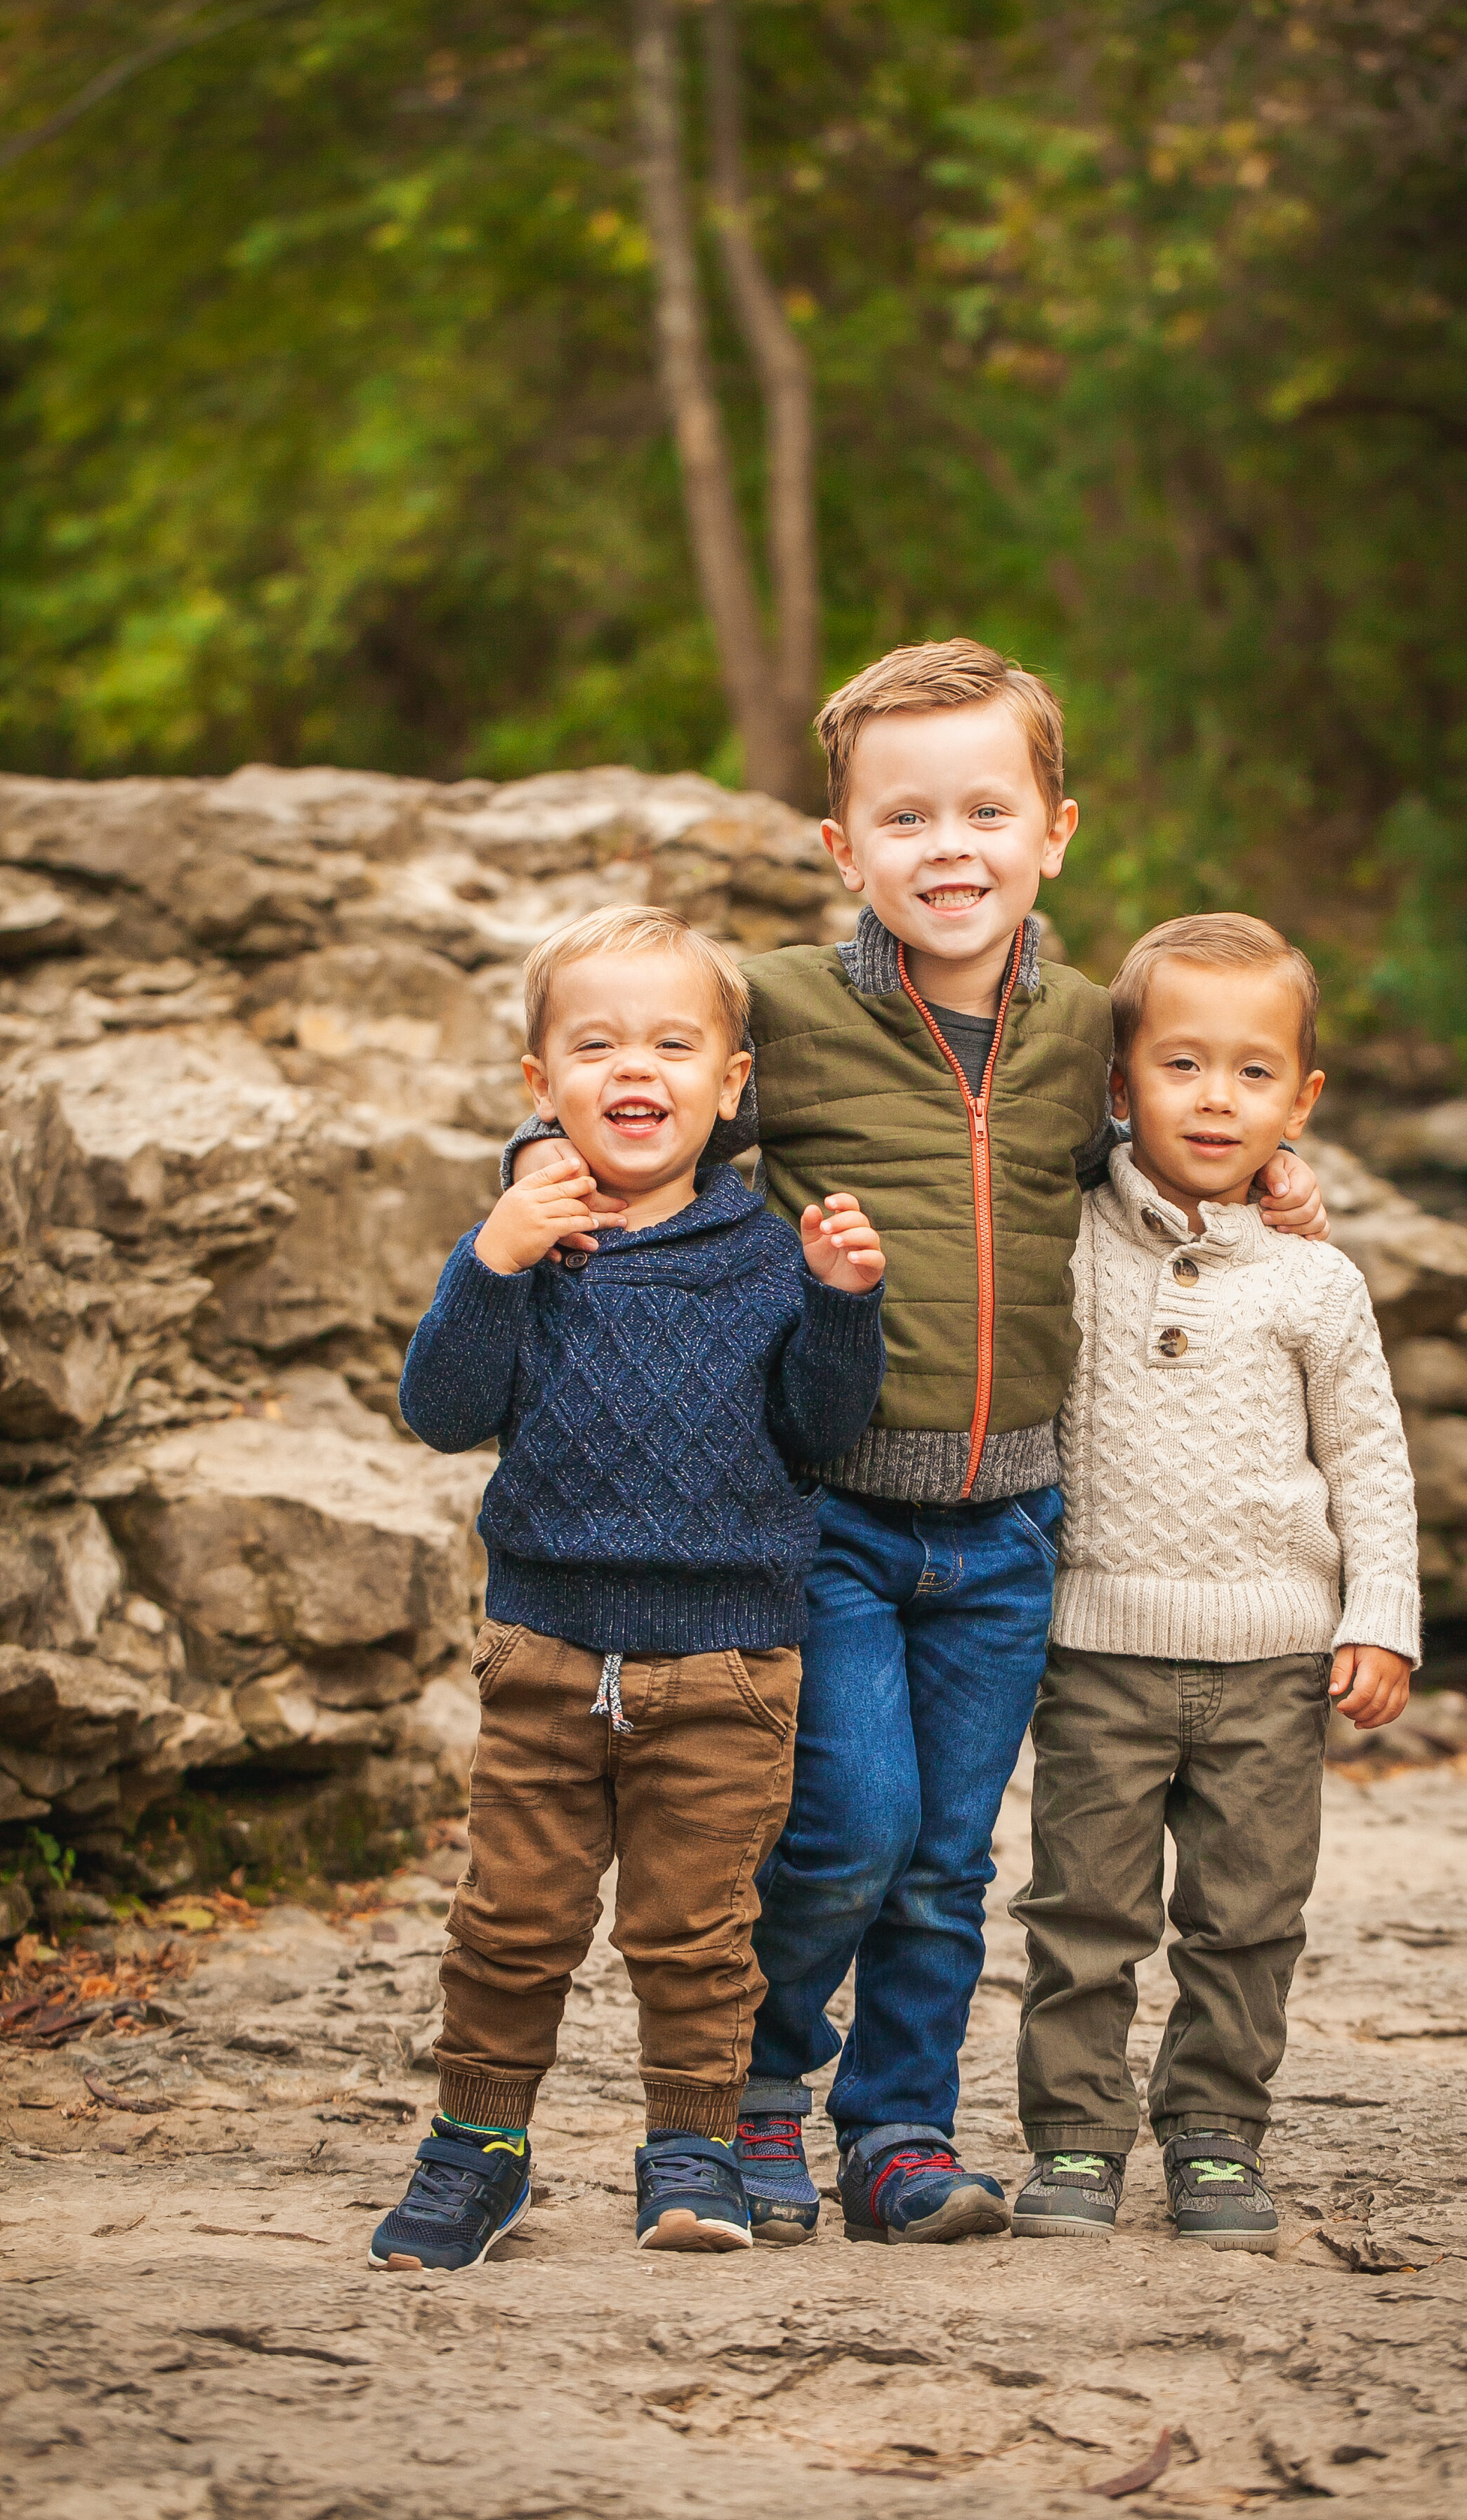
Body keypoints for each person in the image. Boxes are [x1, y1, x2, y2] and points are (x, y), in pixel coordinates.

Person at [506, 641, 1332, 2248]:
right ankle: (754, 2096)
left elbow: (1172, 1137)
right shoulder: (791, 1015)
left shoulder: (1093, 1026)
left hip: (1013, 1527)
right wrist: (546, 1153)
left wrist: (1267, 1192)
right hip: (829, 1520)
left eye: (982, 810)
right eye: (903, 817)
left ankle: (896, 2133)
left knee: (949, 1859)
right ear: (842, 849)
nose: (945, 847)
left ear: (1053, 833)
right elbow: (648, 1080)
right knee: (845, 1828)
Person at [369, 905, 886, 2271]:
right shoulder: (528, 1251)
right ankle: (476, 2147)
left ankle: (693, 2148)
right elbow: (438, 1410)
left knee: (696, 1932)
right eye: (593, 1044)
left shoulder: (770, 1257)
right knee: (511, 1922)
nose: (632, 1068)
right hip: (544, 1653)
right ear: (540, 1086)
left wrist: (841, 1305)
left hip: (726, 1666)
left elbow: (819, 1434)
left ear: (730, 1085)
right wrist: (492, 1255)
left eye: (671, 1041)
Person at [1009, 913, 1420, 2249]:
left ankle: (1215, 2136)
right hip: (1101, 1646)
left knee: (1247, 1917)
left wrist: (1382, 1616)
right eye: (1181, 1065)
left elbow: (1372, 1459)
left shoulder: (1316, 1277)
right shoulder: (1068, 1238)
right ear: (1119, 1082)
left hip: (1273, 1659)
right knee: (1084, 1912)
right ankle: (1074, 2140)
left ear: (1301, 1100)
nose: (1216, 1097)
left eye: (1254, 1073)